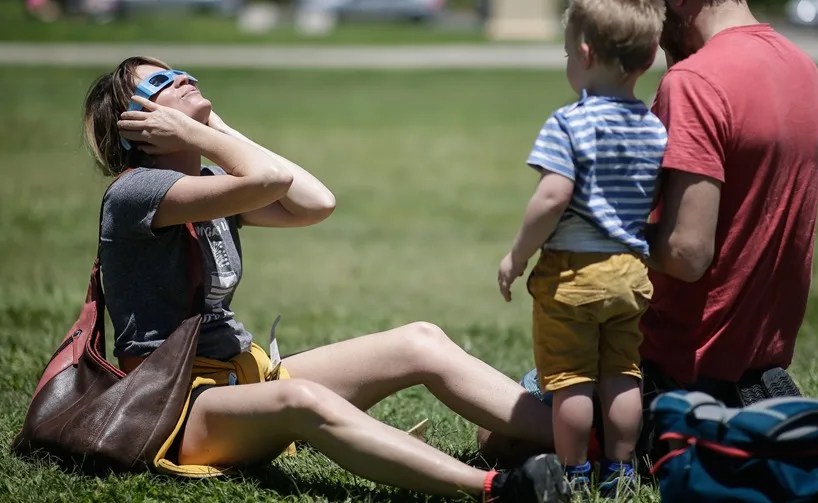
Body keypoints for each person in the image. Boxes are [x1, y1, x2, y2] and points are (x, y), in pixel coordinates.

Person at [82, 55, 571, 502]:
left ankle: (587, 439)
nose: (185, 78)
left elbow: (316, 203)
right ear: (139, 127)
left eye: (182, 71)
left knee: (420, 341)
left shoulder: (210, 185)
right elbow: (270, 182)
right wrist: (205, 134)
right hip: (178, 408)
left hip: (240, 377)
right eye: (164, 82)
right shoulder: (138, 194)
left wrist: (214, 126)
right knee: (302, 398)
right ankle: (500, 489)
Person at [480, 0, 818, 470]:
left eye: (645, 10)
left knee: (493, 434)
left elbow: (687, 256)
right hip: (757, 369)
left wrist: (598, 234)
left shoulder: (694, 81)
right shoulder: (801, 67)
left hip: (679, 371)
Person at [496, 0, 666, 492]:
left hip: (573, 273)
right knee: (622, 373)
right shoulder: (653, 127)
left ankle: (572, 474)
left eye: (568, 53)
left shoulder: (569, 122)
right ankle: (620, 471)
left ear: (586, 53)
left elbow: (552, 196)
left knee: (570, 380)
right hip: (631, 272)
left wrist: (516, 255)